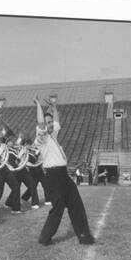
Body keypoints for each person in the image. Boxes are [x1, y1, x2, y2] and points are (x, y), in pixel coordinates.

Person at [34, 96, 95, 246]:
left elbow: (56, 121)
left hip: (63, 175)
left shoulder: (53, 135)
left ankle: (84, 235)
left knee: (76, 205)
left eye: (49, 123)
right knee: (57, 209)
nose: (49, 125)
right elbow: (41, 122)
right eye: (46, 123)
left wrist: (54, 106)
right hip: (54, 176)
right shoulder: (41, 138)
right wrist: (38, 105)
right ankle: (44, 238)